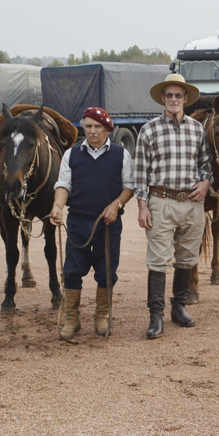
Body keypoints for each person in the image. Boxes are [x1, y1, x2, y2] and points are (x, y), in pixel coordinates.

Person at [132, 74, 212, 339]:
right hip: (161, 201)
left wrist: (206, 182)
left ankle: (178, 308)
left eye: (178, 95)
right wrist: (142, 205)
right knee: (158, 260)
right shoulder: (149, 130)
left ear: (186, 98)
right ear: (163, 99)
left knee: (187, 258)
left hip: (191, 202)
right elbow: (140, 171)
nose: (174, 99)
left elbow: (205, 163)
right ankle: (156, 316)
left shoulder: (197, 129)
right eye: (169, 95)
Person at [49, 107, 133, 339]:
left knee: (107, 270)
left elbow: (129, 187)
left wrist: (116, 205)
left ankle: (101, 317)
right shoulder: (72, 154)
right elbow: (63, 184)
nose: (92, 131)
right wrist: (57, 206)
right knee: (72, 270)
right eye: (88, 126)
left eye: (97, 126)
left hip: (109, 223)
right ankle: (71, 319)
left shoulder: (121, 154)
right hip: (78, 220)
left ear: (107, 129)